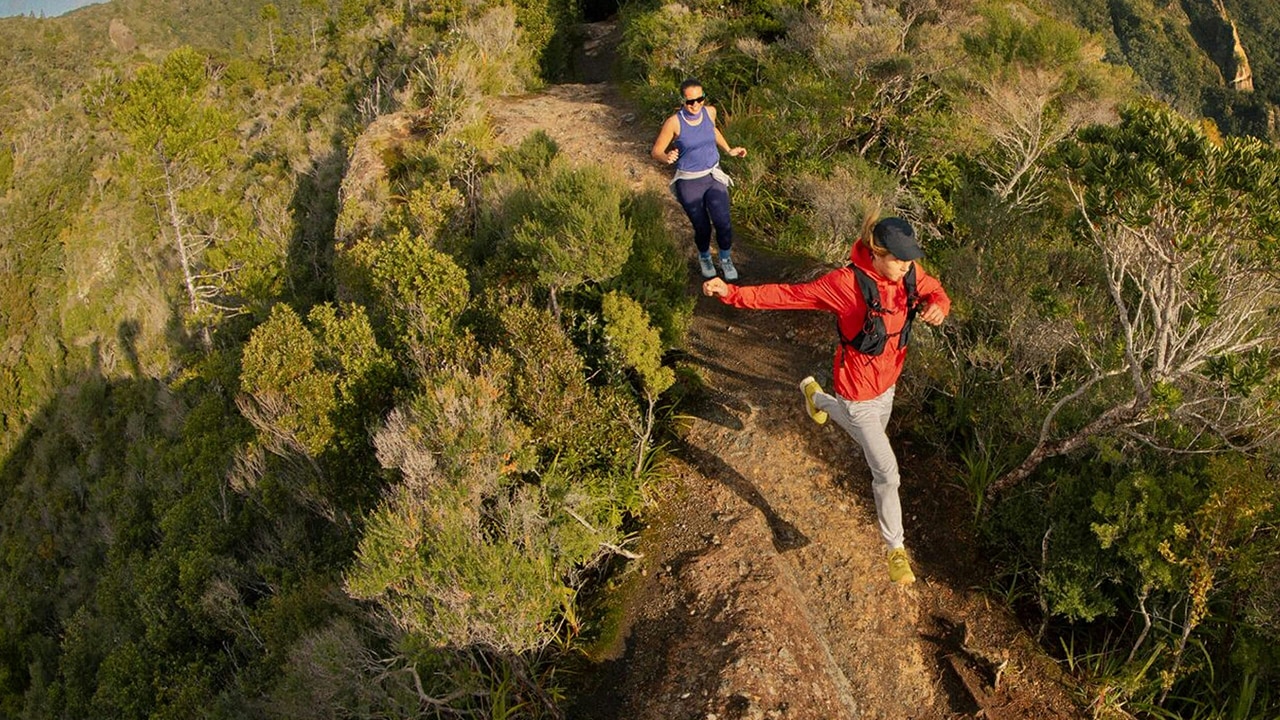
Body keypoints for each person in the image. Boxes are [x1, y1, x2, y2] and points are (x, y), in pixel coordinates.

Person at [702, 216, 950, 585]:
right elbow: (788, 296)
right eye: (898, 259)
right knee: (885, 471)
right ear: (877, 254)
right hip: (856, 391)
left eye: (909, 258)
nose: (906, 265)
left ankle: (816, 397)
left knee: (865, 441)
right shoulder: (845, 285)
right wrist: (733, 294)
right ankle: (895, 548)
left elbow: (937, 291)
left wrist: (939, 306)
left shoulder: (908, 272)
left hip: (888, 385)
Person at [651, 78, 747, 281]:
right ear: (682, 101)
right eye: (689, 101)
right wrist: (666, 157)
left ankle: (725, 259)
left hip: (712, 175)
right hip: (689, 181)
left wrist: (729, 149)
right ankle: (705, 257)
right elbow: (656, 151)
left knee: (723, 222)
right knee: (702, 226)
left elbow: (712, 131)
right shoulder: (674, 122)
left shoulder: (709, 112)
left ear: (704, 98)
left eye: (699, 99)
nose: (695, 104)